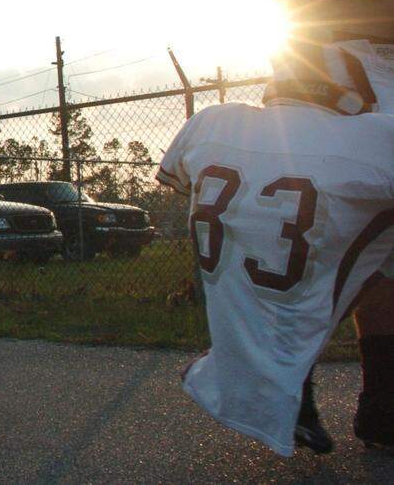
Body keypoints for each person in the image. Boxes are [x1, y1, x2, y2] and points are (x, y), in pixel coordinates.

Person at [157, 43, 394, 457]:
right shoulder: (376, 136)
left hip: (244, 333)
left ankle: (365, 403)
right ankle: (380, 406)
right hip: (358, 86)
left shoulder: (211, 123)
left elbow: (182, 182)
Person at [261, 0, 394, 449]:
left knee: (384, 240)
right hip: (330, 71)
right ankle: (290, 391)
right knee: (322, 243)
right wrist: (308, 75)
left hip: (383, 78)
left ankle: (381, 403)